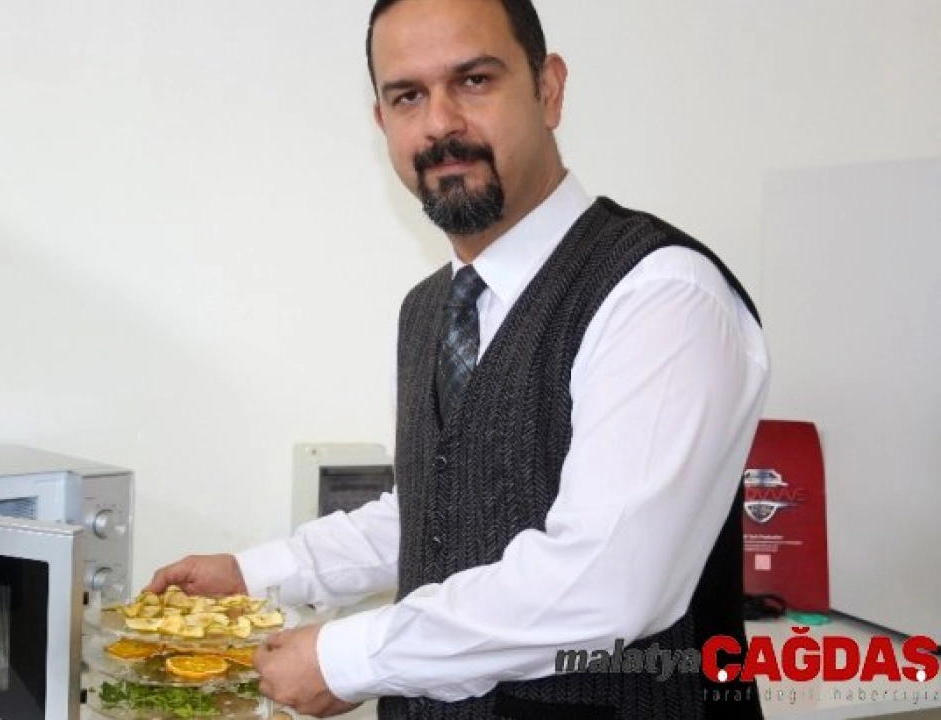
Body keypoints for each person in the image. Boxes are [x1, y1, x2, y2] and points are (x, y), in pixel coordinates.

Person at [147, 0, 769, 717]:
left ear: (548, 90)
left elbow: (606, 584)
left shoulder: (661, 293)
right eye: (407, 96)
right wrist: (255, 573)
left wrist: (348, 659)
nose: (439, 123)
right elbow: (438, 513)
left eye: (474, 81)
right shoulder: (428, 309)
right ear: (382, 122)